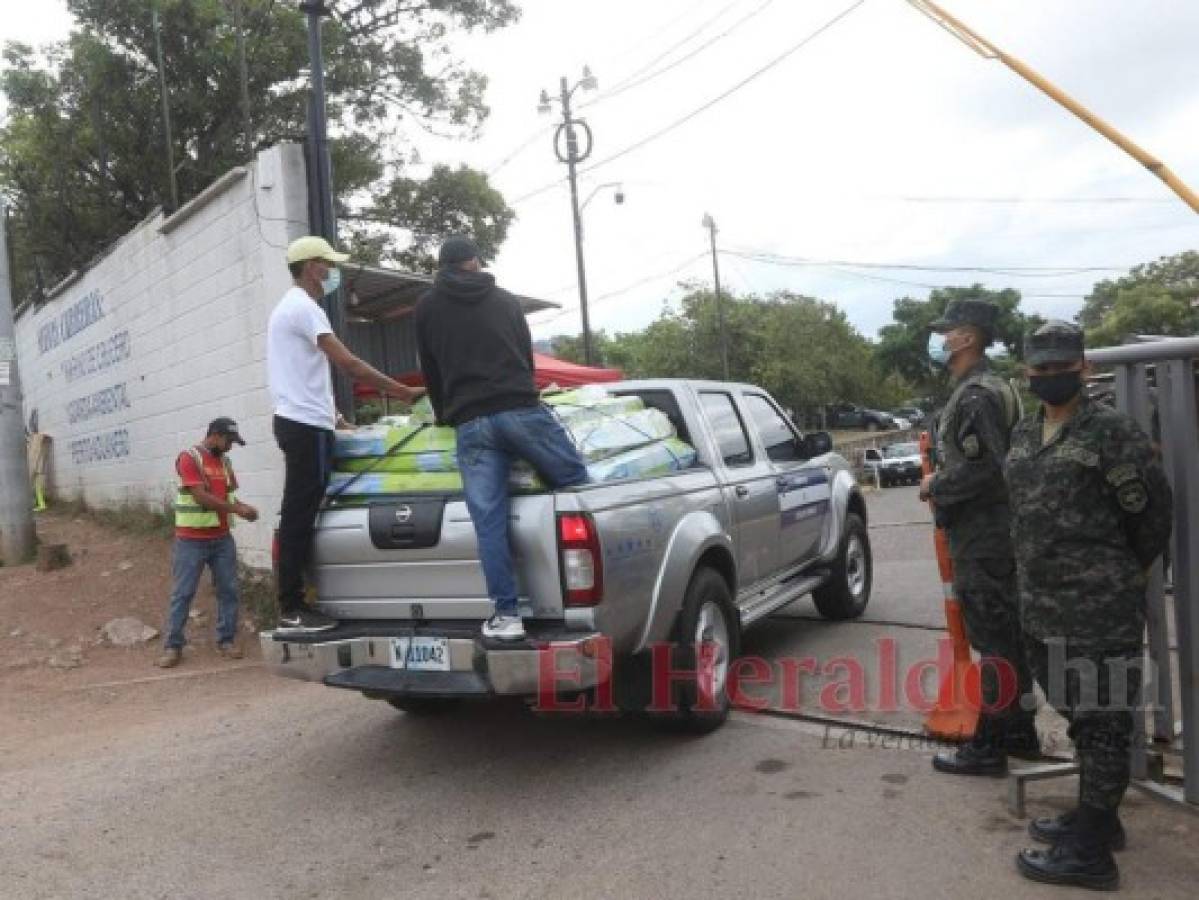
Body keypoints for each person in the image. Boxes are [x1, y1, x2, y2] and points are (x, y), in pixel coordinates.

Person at [1008, 322, 1172, 890]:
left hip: (1097, 608)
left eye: (1061, 367)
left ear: (1081, 368)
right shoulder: (1026, 432)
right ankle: (1100, 818)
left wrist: (1118, 577)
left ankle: (1092, 855)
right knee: (1075, 712)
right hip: (1040, 604)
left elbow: (1150, 517)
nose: (1050, 376)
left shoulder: (1111, 433)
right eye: (1040, 369)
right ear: (1027, 372)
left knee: (1103, 723)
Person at [415, 236, 589, 641]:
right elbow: (526, 361)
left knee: (489, 521)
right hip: (520, 411)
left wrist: (446, 414)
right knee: (577, 483)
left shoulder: (427, 306)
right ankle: (582, 597)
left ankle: (508, 616)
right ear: (475, 262)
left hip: (471, 423)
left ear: (443, 267)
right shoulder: (506, 300)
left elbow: (431, 367)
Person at [268, 236, 422, 632]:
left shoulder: (297, 308)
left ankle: (312, 595)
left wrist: (336, 418)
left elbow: (304, 376)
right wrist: (403, 392)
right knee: (299, 516)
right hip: (303, 427)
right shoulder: (303, 307)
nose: (332, 272)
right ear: (310, 267)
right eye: (327, 264)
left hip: (308, 421)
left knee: (308, 511)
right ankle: (291, 606)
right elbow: (348, 364)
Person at [920, 298, 1040, 774]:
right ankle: (1019, 732)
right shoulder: (990, 386)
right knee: (1007, 640)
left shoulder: (976, 395)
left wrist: (936, 484)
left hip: (984, 537)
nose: (940, 340)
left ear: (967, 338)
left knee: (993, 643)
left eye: (946, 332)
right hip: (993, 534)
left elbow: (988, 469)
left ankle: (989, 748)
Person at [156, 418, 259, 668]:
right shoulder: (189, 458)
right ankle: (173, 646)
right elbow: (201, 497)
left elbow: (229, 495)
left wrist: (243, 507)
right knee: (183, 593)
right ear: (214, 435)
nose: (230, 447)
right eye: (228, 441)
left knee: (229, 591)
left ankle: (226, 640)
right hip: (191, 540)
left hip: (222, 539)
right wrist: (237, 510)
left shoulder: (225, 462)